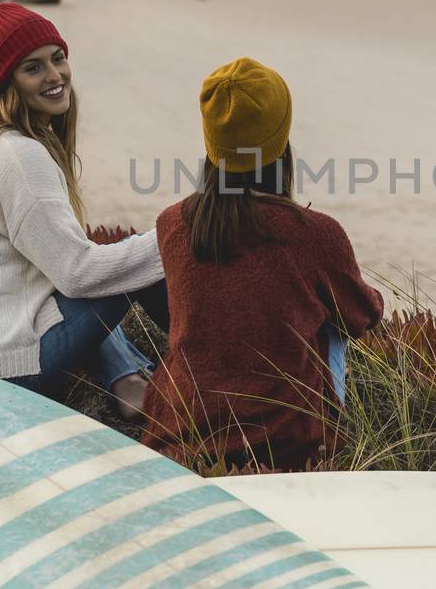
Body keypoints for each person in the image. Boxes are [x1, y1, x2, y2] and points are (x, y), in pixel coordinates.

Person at [0, 1, 167, 418]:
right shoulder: (19, 157)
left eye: (58, 59)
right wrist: (170, 237)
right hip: (1, 372)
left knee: (122, 259)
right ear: (8, 82)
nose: (55, 76)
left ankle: (126, 379)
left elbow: (63, 271)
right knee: (142, 257)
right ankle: (226, 375)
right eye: (33, 68)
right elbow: (77, 274)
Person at [141, 57, 385, 469]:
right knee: (333, 323)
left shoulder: (173, 224)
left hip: (179, 430)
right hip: (286, 441)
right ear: (281, 140)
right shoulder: (315, 233)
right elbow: (364, 317)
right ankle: (331, 450)